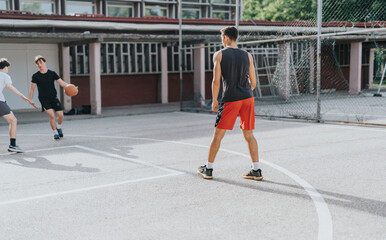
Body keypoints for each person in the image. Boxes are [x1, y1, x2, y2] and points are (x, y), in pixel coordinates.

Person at [198, 26, 263, 180]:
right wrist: (246, 90)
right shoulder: (248, 56)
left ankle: (208, 168)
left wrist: (214, 99)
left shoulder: (219, 55)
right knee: (249, 134)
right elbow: (254, 82)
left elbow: (216, 81)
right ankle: (256, 170)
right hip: (247, 97)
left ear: (226, 37)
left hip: (231, 99)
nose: (222, 39)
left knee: (218, 135)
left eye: (222, 37)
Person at [0, 58, 37, 152]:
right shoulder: (5, 75)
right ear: (5, 67)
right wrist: (22, 96)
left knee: (12, 120)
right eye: (7, 68)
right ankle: (12, 145)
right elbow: (9, 86)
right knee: (13, 121)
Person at [29, 55, 69, 140]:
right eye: (37, 63)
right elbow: (32, 89)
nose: (39, 64)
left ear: (45, 62)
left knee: (60, 115)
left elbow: (62, 83)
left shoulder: (52, 73)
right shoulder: (35, 76)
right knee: (52, 116)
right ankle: (55, 133)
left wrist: (71, 86)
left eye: (40, 62)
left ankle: (59, 127)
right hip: (44, 99)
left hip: (53, 97)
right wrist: (30, 100)